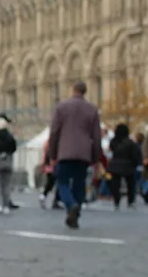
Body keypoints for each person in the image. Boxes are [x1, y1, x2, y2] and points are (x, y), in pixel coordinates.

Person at [45, 81, 102, 230]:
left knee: (63, 182)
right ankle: (75, 215)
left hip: (65, 152)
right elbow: (96, 136)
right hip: (84, 154)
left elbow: (54, 132)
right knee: (79, 184)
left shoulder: (61, 107)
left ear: (73, 90)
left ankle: (71, 205)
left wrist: (52, 153)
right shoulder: (92, 109)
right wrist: (96, 156)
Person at [105, 123, 141, 210]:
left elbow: (110, 152)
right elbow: (135, 155)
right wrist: (135, 164)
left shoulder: (113, 141)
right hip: (128, 166)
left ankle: (116, 201)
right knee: (130, 185)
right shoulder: (130, 143)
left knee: (115, 185)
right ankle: (130, 201)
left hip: (115, 165)